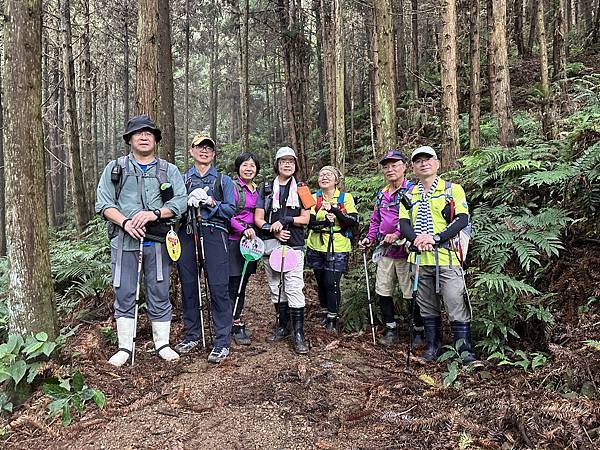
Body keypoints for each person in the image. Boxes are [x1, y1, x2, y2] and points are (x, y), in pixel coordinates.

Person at [96, 114, 187, 367]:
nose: (144, 136)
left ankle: (163, 344)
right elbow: (103, 203)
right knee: (124, 290)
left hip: (157, 241)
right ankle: (125, 346)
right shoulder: (116, 169)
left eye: (149, 133)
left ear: (156, 139)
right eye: (138, 133)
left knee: (159, 290)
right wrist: (125, 222)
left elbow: (180, 201)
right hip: (125, 242)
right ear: (130, 139)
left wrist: (155, 213)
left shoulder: (168, 170)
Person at [398, 146, 477, 364]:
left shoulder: (453, 189)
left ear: (437, 163)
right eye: (418, 161)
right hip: (419, 258)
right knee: (427, 305)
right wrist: (416, 239)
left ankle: (464, 350)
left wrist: (435, 238)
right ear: (413, 167)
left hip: (447, 256)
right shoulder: (408, 194)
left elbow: (462, 219)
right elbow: (403, 223)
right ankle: (433, 346)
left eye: (428, 159)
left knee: (455, 301)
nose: (424, 163)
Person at [175, 135, 236, 363]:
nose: (204, 151)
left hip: (214, 234)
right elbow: (174, 209)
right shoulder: (183, 179)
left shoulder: (223, 180)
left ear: (213, 154)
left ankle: (221, 341)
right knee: (189, 285)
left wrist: (211, 203)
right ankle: (192, 334)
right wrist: (184, 204)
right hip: (188, 233)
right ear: (191, 151)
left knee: (218, 287)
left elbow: (230, 210)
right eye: (200, 147)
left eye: (208, 148)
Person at [358, 149, 424, 346]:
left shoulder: (413, 190)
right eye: (386, 166)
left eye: (394, 165)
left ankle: (418, 331)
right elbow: (375, 220)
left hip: (407, 251)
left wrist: (398, 233)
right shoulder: (382, 194)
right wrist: (369, 239)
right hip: (385, 251)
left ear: (404, 167)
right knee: (383, 290)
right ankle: (391, 328)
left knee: (411, 291)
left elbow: (416, 219)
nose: (390, 169)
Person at [254, 147, 311, 354]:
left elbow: (306, 218)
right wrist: (273, 229)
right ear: (277, 164)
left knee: (294, 287)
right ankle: (282, 325)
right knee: (275, 286)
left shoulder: (302, 188)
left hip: (294, 245)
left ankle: (298, 333)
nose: (287, 165)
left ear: (295, 165)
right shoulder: (267, 187)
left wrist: (287, 220)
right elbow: (258, 219)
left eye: (291, 161)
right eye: (283, 161)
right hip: (271, 245)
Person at [306, 166, 359, 332]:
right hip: (315, 244)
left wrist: (335, 210)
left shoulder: (345, 197)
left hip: (338, 245)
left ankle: (332, 318)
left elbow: (353, 220)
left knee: (332, 282)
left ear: (336, 180)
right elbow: (309, 222)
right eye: (321, 175)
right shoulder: (313, 198)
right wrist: (324, 222)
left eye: (328, 175)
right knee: (320, 281)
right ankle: (325, 312)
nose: (324, 177)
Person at [228, 152, 261, 345]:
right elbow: (227, 213)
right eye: (245, 165)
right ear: (238, 167)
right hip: (233, 239)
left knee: (243, 282)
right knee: (232, 282)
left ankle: (237, 318)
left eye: (252, 166)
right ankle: (230, 321)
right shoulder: (232, 187)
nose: (249, 169)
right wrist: (242, 229)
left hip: (251, 243)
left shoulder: (258, 190)